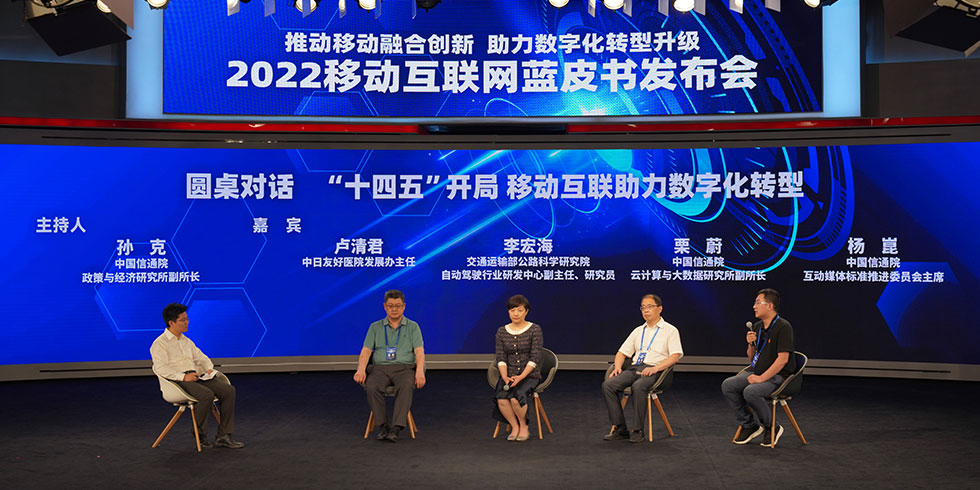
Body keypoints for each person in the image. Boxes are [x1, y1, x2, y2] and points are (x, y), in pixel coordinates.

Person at [150, 303, 244, 449]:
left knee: (228, 391)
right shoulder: (159, 344)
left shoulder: (186, 341)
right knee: (206, 395)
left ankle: (224, 436)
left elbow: (201, 358)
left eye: (187, 319)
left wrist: (208, 369)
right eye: (183, 320)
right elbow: (161, 368)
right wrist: (183, 377)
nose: (187, 322)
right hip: (177, 381)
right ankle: (200, 435)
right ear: (171, 322)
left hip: (196, 376)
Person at [602, 294, 684, 443]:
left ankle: (637, 430)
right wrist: (618, 367)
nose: (646, 310)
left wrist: (656, 368)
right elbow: (621, 353)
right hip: (635, 368)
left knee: (638, 386)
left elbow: (675, 356)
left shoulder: (670, 330)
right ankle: (620, 428)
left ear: (660, 309)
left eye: (650, 307)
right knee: (608, 385)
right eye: (643, 307)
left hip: (656, 371)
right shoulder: (638, 330)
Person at [722, 288, 796, 447]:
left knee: (751, 391)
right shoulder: (757, 327)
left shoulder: (783, 327)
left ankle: (772, 427)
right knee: (728, 385)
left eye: (758, 303)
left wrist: (761, 378)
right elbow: (752, 359)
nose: (754, 306)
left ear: (769, 306)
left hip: (779, 376)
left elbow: (783, 360)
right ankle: (749, 425)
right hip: (757, 371)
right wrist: (750, 344)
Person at [354, 289, 425, 443]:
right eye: (391, 306)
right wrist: (360, 369)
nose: (394, 309)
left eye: (398, 306)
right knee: (372, 386)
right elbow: (366, 351)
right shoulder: (375, 327)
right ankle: (383, 426)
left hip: (405, 368)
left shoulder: (413, 326)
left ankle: (396, 428)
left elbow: (419, 351)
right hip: (380, 369)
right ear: (385, 307)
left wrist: (420, 371)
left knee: (406, 386)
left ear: (404, 306)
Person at [492, 294, 544, 442]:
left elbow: (535, 357)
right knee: (501, 398)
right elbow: (501, 357)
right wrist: (504, 376)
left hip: (529, 375)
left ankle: (524, 426)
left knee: (516, 397)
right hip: (509, 374)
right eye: (512, 310)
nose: (516, 314)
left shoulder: (534, 329)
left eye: (520, 310)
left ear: (526, 311)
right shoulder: (502, 331)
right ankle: (514, 426)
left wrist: (521, 377)